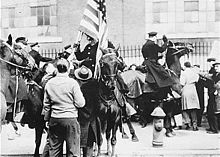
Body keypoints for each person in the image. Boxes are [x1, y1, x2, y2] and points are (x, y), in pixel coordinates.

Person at [42, 58, 85, 157]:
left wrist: (47, 119)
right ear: (68, 68)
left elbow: (46, 105)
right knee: (73, 151)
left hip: (55, 119)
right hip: (70, 119)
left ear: (56, 69)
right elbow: (81, 103)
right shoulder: (73, 83)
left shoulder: (49, 83)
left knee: (54, 151)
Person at [74, 66, 102, 157]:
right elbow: (98, 105)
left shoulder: (76, 87)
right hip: (91, 120)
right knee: (89, 144)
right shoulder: (94, 87)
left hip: (79, 119)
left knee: (77, 144)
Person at [180, 61, 200, 131]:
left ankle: (188, 123)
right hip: (193, 90)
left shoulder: (184, 73)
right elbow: (197, 80)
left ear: (184, 66)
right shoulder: (194, 73)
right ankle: (195, 125)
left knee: (184, 108)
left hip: (186, 89)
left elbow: (182, 83)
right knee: (193, 109)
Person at [205, 62, 220, 134]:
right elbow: (209, 75)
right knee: (210, 112)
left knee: (215, 113)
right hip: (212, 95)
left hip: (217, 96)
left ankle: (215, 129)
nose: (216, 68)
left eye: (217, 66)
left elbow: (217, 85)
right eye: (215, 67)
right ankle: (212, 127)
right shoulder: (214, 75)